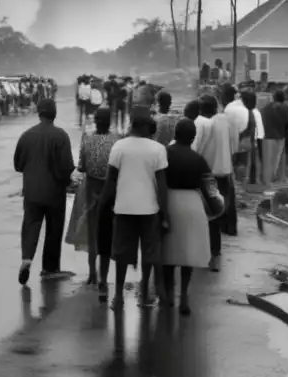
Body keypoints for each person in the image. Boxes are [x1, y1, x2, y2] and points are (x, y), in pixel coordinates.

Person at [98, 106, 168, 310]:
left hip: (123, 208)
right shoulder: (158, 149)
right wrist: (165, 213)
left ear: (132, 124)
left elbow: (110, 181)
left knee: (121, 255)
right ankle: (144, 294)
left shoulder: (119, 147)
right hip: (149, 210)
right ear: (148, 126)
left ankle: (118, 296)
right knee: (148, 254)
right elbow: (161, 185)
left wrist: (103, 205)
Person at [13, 99, 75, 285]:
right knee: (53, 229)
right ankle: (49, 268)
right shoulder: (60, 136)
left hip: (32, 192)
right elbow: (66, 167)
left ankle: (26, 259)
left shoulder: (26, 135)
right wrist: (68, 182)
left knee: (31, 224)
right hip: (54, 192)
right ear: (54, 114)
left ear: (39, 113)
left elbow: (18, 165)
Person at [161, 118, 213, 315]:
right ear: (193, 137)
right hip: (193, 204)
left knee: (168, 253)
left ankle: (168, 294)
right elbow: (210, 188)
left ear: (175, 134)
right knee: (187, 254)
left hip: (170, 202)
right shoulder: (199, 159)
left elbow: (158, 181)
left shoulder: (165, 154)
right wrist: (216, 210)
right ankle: (184, 295)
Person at [75, 107, 119, 296]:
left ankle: (92, 273)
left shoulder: (87, 140)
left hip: (91, 192)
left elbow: (82, 167)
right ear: (110, 122)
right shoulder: (117, 141)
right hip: (111, 195)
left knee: (92, 234)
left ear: (96, 120)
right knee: (106, 235)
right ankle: (103, 278)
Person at [194, 94, 237, 271]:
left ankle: (206, 252)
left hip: (208, 173)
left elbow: (196, 148)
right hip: (225, 171)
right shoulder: (228, 121)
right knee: (219, 212)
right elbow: (234, 146)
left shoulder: (203, 123)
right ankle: (216, 251)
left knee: (207, 214)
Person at [261, 89, 288, 185]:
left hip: (267, 136)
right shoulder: (286, 108)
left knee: (268, 159)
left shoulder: (266, 107)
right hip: (280, 135)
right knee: (277, 158)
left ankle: (267, 181)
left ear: (274, 98)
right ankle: (276, 178)